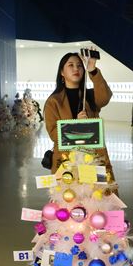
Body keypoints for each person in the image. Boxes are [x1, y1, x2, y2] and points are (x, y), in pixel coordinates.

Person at [44, 49, 114, 177]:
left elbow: (105, 97)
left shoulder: (90, 96)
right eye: (70, 65)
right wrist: (77, 124)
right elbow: (54, 134)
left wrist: (92, 69)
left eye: (79, 65)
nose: (76, 68)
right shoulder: (54, 101)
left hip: (92, 158)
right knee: (70, 195)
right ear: (62, 72)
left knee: (96, 194)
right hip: (66, 160)